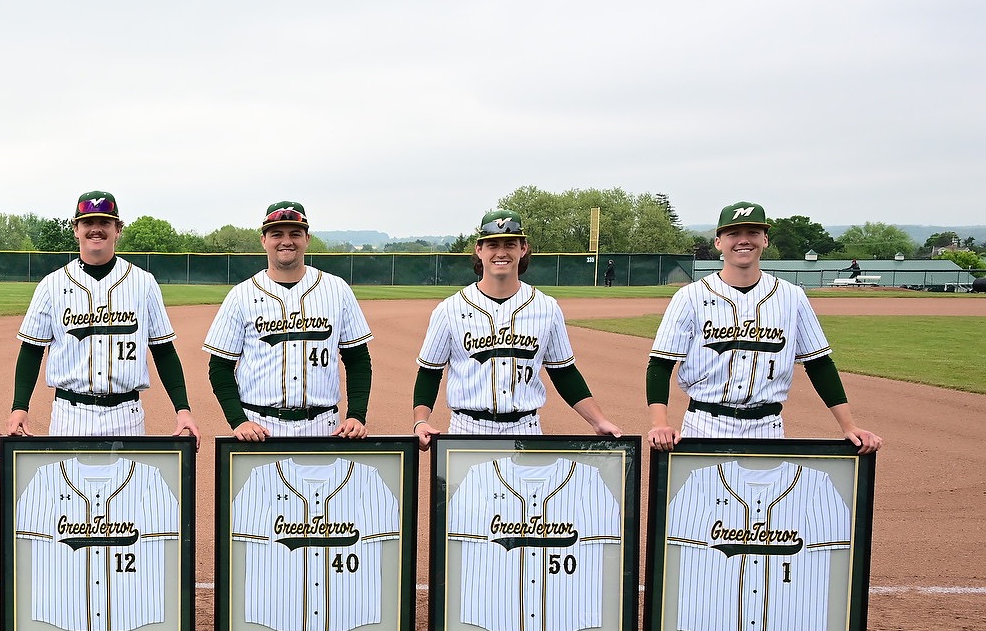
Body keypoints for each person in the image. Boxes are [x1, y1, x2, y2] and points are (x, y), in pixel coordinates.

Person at [646, 201, 882, 452]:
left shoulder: (792, 297)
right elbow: (661, 362)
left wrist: (849, 426)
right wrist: (660, 423)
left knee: (765, 492)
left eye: (753, 233)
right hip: (704, 423)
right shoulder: (689, 297)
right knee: (703, 492)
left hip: (768, 426)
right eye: (733, 233)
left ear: (765, 240)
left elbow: (819, 362)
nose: (743, 240)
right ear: (719, 242)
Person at [413, 209, 621, 445]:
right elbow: (430, 372)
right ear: (479, 250)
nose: (501, 253)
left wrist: (598, 420)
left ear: (523, 249)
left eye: (510, 244)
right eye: (493, 245)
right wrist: (421, 421)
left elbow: (564, 372)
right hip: (466, 430)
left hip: (526, 429)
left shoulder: (547, 308)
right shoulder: (449, 310)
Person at [5, 191, 198, 438]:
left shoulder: (144, 283)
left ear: (118, 229)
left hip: (126, 414)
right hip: (69, 414)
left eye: (105, 222)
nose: (96, 229)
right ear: (76, 229)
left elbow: (163, 350)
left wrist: (183, 408)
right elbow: (32, 349)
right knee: (67, 477)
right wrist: (19, 407)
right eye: (88, 222)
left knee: (128, 477)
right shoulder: (51, 285)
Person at [203, 200, 372, 439]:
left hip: (324, 426)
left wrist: (356, 414)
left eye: (295, 233)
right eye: (276, 234)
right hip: (258, 428)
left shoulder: (337, 290)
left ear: (307, 239)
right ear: (264, 240)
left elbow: (358, 359)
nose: (286, 241)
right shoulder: (240, 295)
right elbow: (220, 366)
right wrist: (238, 421)